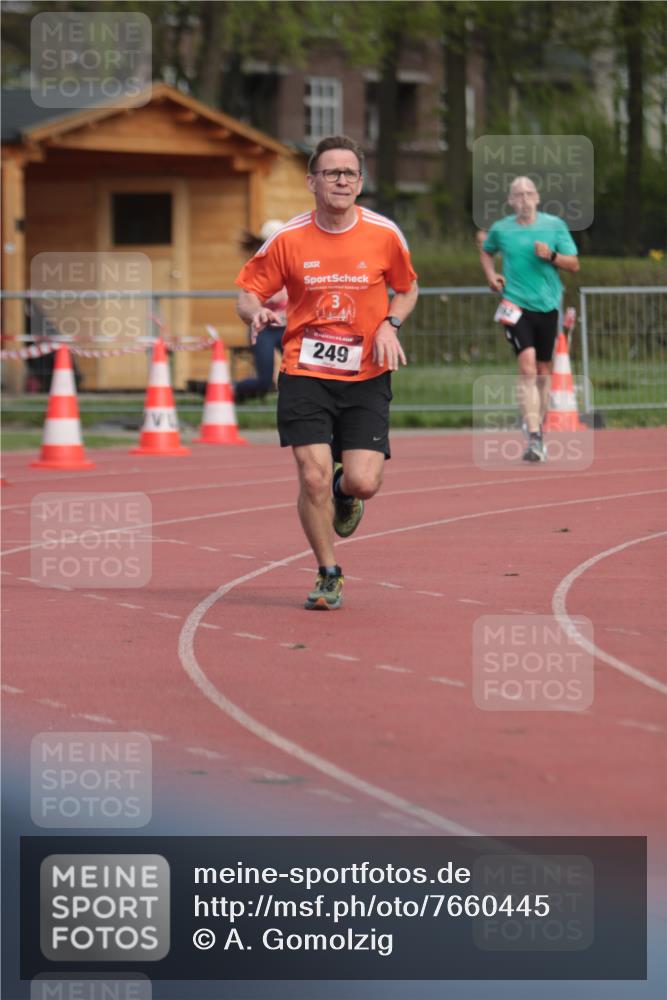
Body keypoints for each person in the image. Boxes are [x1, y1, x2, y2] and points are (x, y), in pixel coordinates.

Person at [235, 135, 418, 610]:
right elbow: (247, 292)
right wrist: (255, 312)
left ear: (360, 181)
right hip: (305, 369)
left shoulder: (384, 233)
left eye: (350, 173)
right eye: (331, 172)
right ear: (311, 181)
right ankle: (328, 571)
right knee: (311, 474)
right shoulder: (289, 237)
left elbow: (407, 288)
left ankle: (345, 492)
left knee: (363, 482)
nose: (341, 180)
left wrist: (391, 324)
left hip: (367, 373)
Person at [478, 176, 579, 462]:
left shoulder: (554, 226)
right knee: (527, 366)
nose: (524, 199)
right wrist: (491, 276)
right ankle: (534, 435)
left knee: (544, 370)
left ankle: (537, 425)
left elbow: (574, 264)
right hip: (515, 304)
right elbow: (486, 251)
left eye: (529, 193)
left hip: (547, 305)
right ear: (510, 200)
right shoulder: (502, 229)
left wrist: (552, 255)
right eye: (518, 194)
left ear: (537, 197)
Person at [233, 220, 287, 403]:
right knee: (264, 381)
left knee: (300, 375)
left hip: (286, 328)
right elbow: (249, 297)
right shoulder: (258, 266)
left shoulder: (293, 262)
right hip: (264, 330)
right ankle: (234, 390)